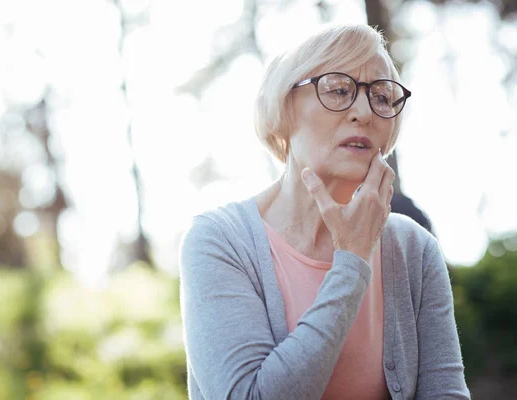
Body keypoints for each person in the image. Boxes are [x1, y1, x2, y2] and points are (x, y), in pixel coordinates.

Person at [179, 24, 470, 400]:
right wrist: (351, 261)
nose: (365, 112)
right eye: (338, 90)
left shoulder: (413, 247)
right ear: (283, 108)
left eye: (381, 96)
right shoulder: (218, 241)